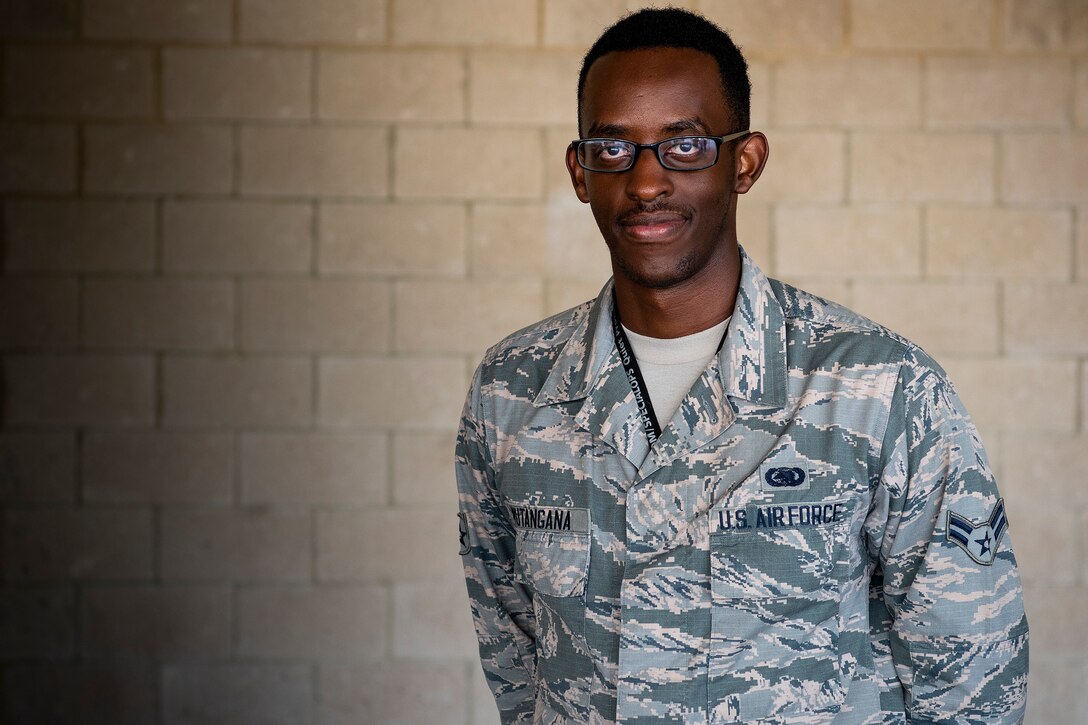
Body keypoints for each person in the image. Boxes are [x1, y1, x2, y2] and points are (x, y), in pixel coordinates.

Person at [455, 8, 1028, 724]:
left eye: (685, 145)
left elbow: (974, 683)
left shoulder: (876, 388)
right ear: (580, 171)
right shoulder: (513, 392)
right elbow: (516, 655)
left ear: (745, 162)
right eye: (613, 148)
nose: (645, 182)